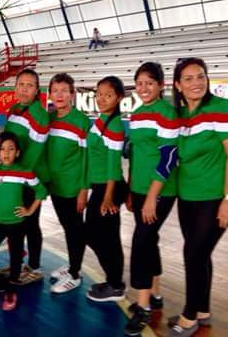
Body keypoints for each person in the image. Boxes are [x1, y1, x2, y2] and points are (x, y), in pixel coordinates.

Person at [167, 58, 228, 337]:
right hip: (187, 197)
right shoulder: (183, 115)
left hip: (213, 197)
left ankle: (189, 316)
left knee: (193, 254)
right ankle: (202, 310)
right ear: (177, 85)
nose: (196, 82)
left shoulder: (222, 109)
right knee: (200, 254)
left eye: (200, 76)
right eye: (188, 78)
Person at [124, 62, 179, 337]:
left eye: (149, 82)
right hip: (140, 190)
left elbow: (168, 157)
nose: (143, 88)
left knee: (141, 242)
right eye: (139, 83)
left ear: (160, 85)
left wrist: (151, 198)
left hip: (160, 192)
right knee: (149, 240)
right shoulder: (136, 114)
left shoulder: (167, 112)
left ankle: (143, 307)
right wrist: (133, 191)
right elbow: (136, 153)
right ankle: (155, 295)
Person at [0, 132, 48, 314]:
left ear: (18, 153)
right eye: (2, 149)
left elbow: (41, 191)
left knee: (15, 257)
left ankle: (11, 290)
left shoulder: (24, 172)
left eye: (11, 149)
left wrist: (29, 210)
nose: (6, 153)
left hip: (17, 223)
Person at [45, 73, 90, 293]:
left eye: (64, 90)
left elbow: (87, 159)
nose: (60, 95)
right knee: (67, 227)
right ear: (50, 94)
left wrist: (83, 189)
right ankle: (72, 265)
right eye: (55, 90)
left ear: (72, 94)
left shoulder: (81, 122)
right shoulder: (49, 118)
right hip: (55, 186)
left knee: (74, 230)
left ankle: (75, 274)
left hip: (73, 188)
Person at [4, 68, 50, 284]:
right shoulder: (14, 109)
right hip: (16, 178)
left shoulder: (39, 115)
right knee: (18, 223)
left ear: (36, 91)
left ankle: (34, 266)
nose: (24, 89)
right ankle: (18, 263)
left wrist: (18, 180)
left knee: (30, 223)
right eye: (21, 84)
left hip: (31, 180)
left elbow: (33, 155)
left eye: (29, 85)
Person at [85, 76, 127, 302]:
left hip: (109, 189)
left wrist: (108, 197)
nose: (101, 99)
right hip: (100, 187)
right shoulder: (102, 119)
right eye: (98, 94)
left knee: (105, 237)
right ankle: (113, 280)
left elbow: (113, 164)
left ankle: (116, 285)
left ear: (119, 97)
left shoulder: (115, 125)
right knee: (98, 235)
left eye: (107, 95)